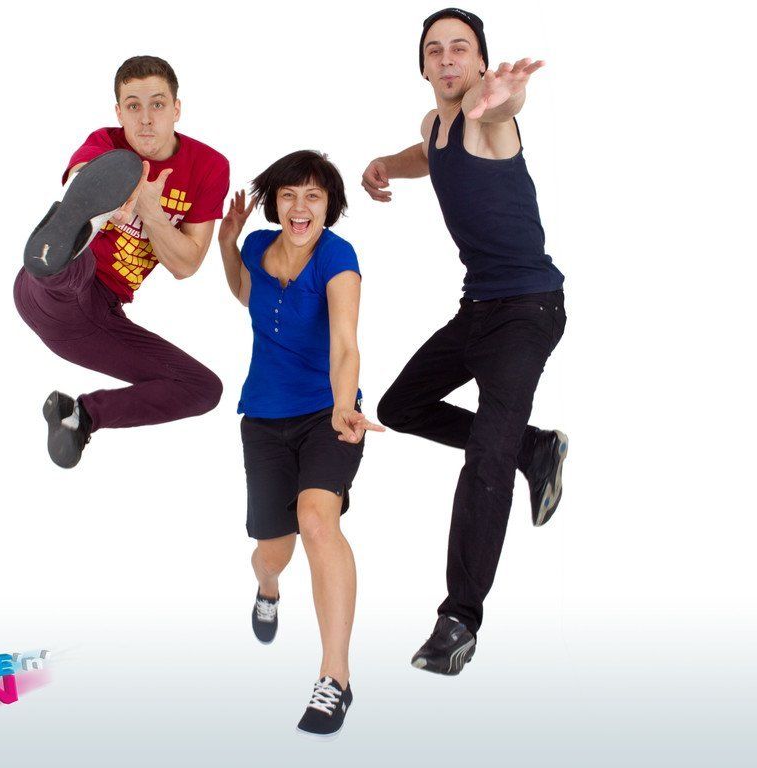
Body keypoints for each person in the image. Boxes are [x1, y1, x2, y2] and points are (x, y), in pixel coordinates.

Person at [361, 8, 568, 675]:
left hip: (528, 310)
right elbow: (426, 154)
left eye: (461, 48)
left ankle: (459, 621)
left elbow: (501, 114)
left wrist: (506, 99)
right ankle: (535, 447)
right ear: (423, 66)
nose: (448, 58)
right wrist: (383, 166)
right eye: (435, 50)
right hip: (476, 309)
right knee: (399, 407)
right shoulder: (437, 122)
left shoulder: (488, 120)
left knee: (486, 457)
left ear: (481, 62)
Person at [218, 151, 382, 738]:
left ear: (329, 206)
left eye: (313, 196)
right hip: (263, 418)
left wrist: (343, 404)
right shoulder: (258, 246)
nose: (300, 207)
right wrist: (227, 242)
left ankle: (335, 677)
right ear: (274, 203)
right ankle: (267, 589)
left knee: (317, 520)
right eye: (289, 194)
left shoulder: (337, 257)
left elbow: (346, 343)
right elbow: (246, 292)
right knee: (273, 552)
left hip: (327, 414)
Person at [14, 55, 229, 468]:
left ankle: (79, 417)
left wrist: (150, 209)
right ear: (118, 112)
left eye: (157, 104)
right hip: (52, 286)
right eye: (133, 106)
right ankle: (60, 248)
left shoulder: (209, 167)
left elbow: (186, 264)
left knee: (203, 389)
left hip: (95, 320)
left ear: (177, 109)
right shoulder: (107, 143)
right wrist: (100, 192)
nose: (145, 119)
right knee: (74, 267)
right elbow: (82, 170)